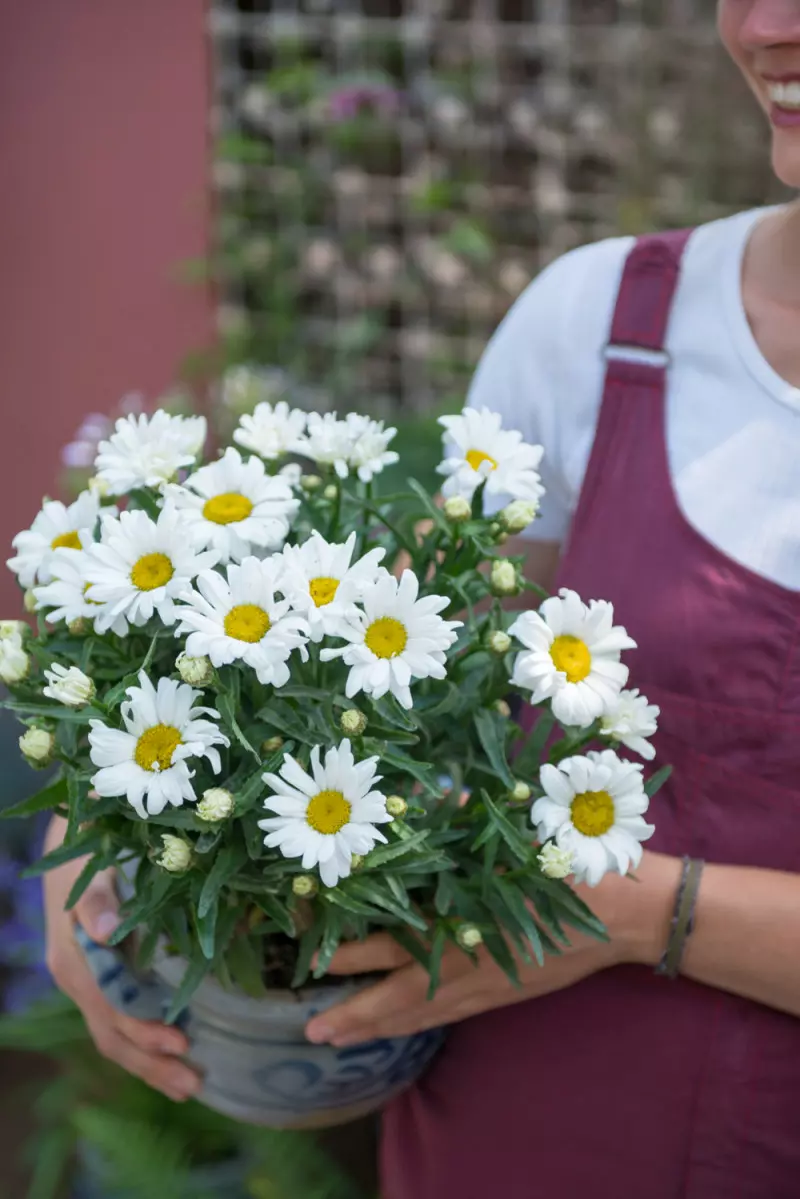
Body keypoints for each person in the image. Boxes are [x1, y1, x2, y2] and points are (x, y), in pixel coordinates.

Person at [44, 1, 800, 1194]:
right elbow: (391, 641)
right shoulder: (603, 325)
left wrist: (640, 909)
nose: (764, 24)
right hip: (502, 1138)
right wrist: (114, 810)